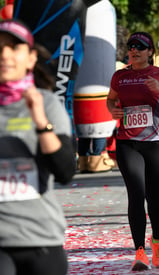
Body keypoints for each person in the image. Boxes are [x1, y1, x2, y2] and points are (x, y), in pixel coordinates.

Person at [0, 20, 76, 275]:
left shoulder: (48, 104)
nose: (4, 55)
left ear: (31, 58)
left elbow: (65, 171)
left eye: (13, 48)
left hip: (41, 240)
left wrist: (40, 120)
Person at [107, 32, 159, 271]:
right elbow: (110, 100)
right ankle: (139, 251)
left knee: (154, 194)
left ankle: (158, 241)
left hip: (156, 144)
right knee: (136, 193)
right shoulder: (119, 76)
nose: (135, 50)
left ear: (150, 52)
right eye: (131, 46)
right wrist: (113, 110)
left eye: (140, 47)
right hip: (128, 144)